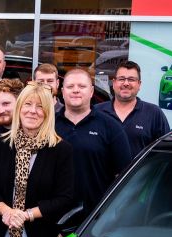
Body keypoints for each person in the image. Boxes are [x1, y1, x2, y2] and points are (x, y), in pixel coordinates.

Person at [0, 82, 74, 237]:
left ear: (48, 112)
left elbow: (65, 198)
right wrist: (6, 211)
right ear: (19, 108)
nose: (32, 111)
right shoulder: (3, 144)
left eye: (39, 106)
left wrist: (27, 214)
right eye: (27, 104)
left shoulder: (61, 150)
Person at [55, 67, 132, 226]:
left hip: (95, 219)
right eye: (70, 87)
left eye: (82, 86)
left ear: (91, 91)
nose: (76, 90)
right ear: (62, 92)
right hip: (52, 216)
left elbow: (123, 176)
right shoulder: (49, 125)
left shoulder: (110, 127)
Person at [94, 60, 171, 153]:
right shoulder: (96, 111)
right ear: (114, 83)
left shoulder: (154, 113)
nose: (126, 83)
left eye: (131, 79)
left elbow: (165, 151)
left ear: (139, 84)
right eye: (121, 79)